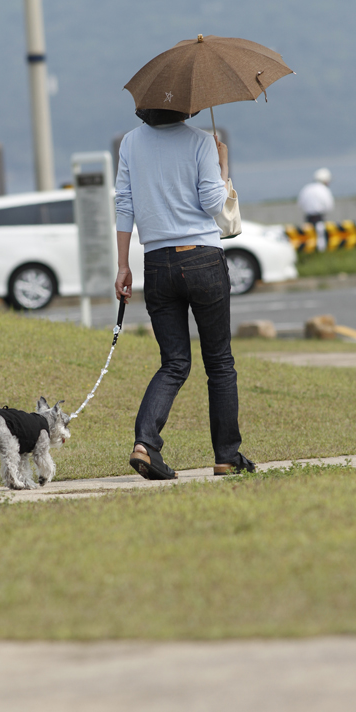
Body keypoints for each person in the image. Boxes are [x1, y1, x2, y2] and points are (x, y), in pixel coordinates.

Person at [114, 107, 255, 481]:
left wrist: (123, 266)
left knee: (174, 362)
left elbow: (124, 204)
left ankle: (145, 444)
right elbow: (213, 205)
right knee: (220, 363)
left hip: (156, 263)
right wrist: (222, 163)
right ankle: (226, 457)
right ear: (186, 106)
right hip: (203, 261)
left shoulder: (129, 143)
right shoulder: (200, 142)